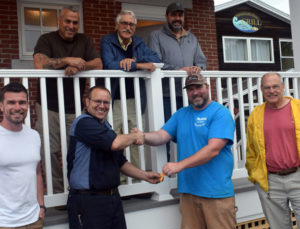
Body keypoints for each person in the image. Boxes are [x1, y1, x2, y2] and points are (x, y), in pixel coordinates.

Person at [137, 74, 243, 229]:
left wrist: (179, 165)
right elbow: (161, 136)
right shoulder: (181, 114)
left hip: (215, 191)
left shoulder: (220, 113)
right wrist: (141, 136)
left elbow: (213, 149)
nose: (195, 92)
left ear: (207, 88)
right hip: (188, 191)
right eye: (191, 89)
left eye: (199, 87)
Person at [66, 85, 161, 229]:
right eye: (97, 101)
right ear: (86, 101)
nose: (102, 106)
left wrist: (144, 175)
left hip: (112, 199)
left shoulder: (106, 127)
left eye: (106, 102)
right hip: (88, 202)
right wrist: (136, 136)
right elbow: (115, 143)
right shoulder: (83, 123)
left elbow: (120, 162)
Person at [33, 6, 102, 193]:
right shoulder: (46, 39)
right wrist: (67, 60)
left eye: (75, 22)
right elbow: (39, 63)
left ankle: (76, 189)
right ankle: (57, 193)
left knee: (77, 150)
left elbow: (98, 63)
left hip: (74, 108)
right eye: (67, 21)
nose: (71, 26)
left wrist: (80, 65)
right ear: (59, 21)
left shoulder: (84, 40)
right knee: (49, 151)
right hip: (49, 106)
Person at [100, 10, 160, 182]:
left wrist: (134, 63)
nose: (128, 27)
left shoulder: (139, 42)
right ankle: (116, 179)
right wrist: (141, 65)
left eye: (131, 24)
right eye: (124, 23)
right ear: (117, 25)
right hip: (114, 98)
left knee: (136, 138)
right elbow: (110, 64)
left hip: (135, 98)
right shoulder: (107, 41)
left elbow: (155, 60)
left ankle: (137, 180)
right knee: (114, 140)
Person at [245, 72, 300, 229]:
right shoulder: (256, 114)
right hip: (271, 181)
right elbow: (251, 150)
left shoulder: (298, 107)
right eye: (267, 87)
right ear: (261, 90)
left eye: (275, 86)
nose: (272, 91)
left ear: (283, 87)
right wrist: (255, 175)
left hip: (297, 176)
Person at [0, 83, 45, 229]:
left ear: (27, 105)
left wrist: (41, 205)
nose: (17, 107)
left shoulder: (33, 136)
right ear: (1, 106)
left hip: (33, 222)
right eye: (11, 102)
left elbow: (37, 172)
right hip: (5, 225)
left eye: (22, 102)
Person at [149, 2, 207, 122]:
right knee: (167, 132)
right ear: (167, 17)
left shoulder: (192, 38)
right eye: (173, 15)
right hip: (165, 94)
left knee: (189, 129)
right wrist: (179, 70)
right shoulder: (156, 36)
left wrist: (199, 68)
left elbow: (201, 61)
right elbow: (155, 63)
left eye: (180, 15)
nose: (177, 18)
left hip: (189, 93)